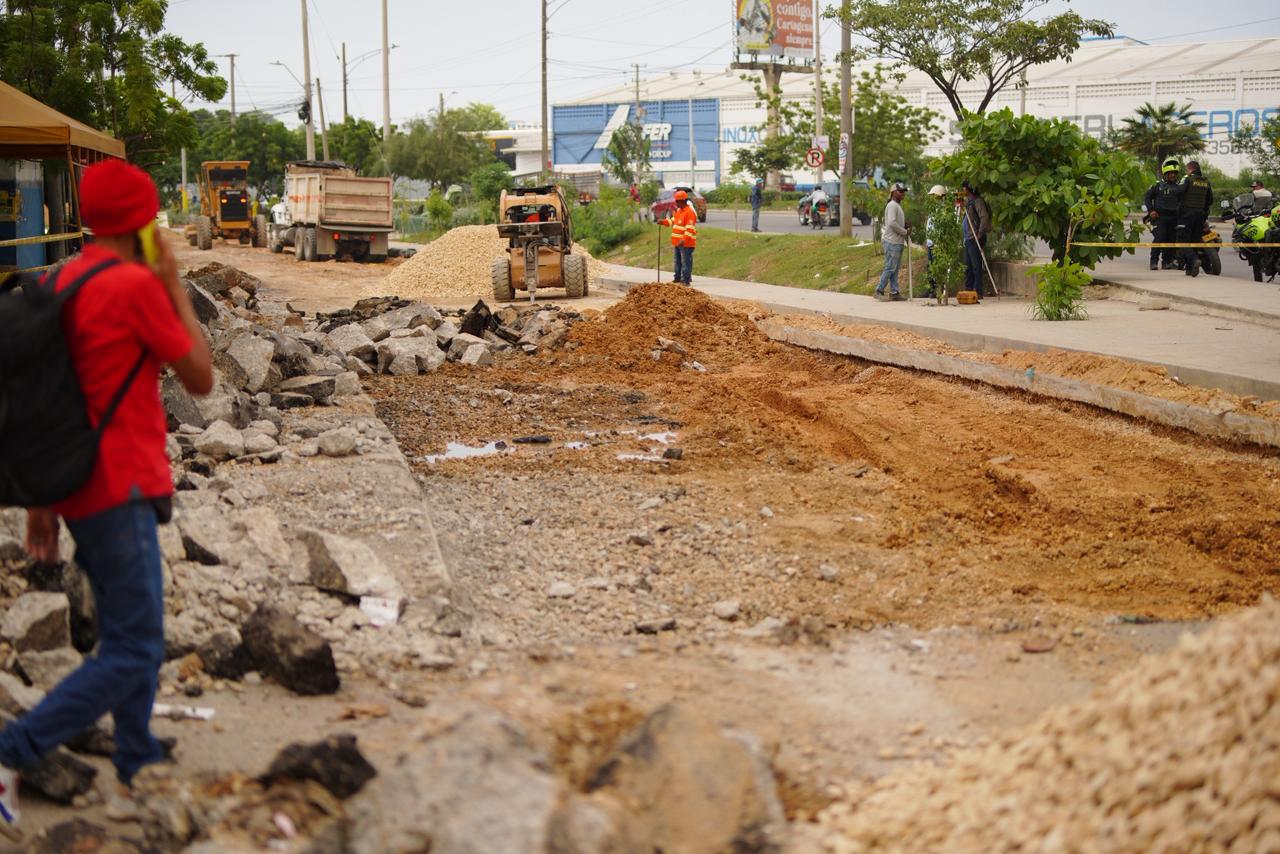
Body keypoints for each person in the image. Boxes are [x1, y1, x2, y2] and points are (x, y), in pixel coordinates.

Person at [0, 159, 213, 835]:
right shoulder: (134, 288)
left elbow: (47, 397)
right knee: (136, 645)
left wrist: (42, 500)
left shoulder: (56, 281)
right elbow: (201, 378)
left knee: (129, 624)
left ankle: (136, 753)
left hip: (78, 485)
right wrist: (173, 284)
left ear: (89, 218)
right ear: (145, 222)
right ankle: (16, 749)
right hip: (119, 483)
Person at [1144, 159, 1184, 270]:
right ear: (1165, 174)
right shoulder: (1157, 185)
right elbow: (1147, 198)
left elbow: (1182, 202)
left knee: (1171, 240)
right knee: (1159, 238)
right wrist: (1151, 210)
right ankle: (1153, 262)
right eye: (1170, 173)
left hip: (1173, 217)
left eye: (1175, 174)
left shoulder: (1179, 188)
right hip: (1159, 217)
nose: (1173, 175)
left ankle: (1166, 262)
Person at [1177, 160, 1213, 277]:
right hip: (1201, 215)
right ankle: (1190, 269)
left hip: (1187, 214)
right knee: (1194, 241)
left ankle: (1194, 260)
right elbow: (1210, 200)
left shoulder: (1187, 179)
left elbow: (1179, 192)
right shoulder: (1206, 182)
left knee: (1183, 240)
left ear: (1190, 169)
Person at [875, 183, 911, 301]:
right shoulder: (892, 205)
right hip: (892, 241)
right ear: (893, 193)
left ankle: (894, 291)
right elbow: (891, 223)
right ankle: (879, 290)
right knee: (890, 267)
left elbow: (895, 222)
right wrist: (904, 232)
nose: (902, 193)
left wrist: (905, 226)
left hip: (897, 241)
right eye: (900, 191)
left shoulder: (896, 206)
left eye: (903, 191)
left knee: (895, 268)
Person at [659, 189, 698, 285]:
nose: (676, 203)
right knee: (677, 262)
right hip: (677, 242)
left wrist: (684, 240)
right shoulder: (679, 211)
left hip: (686, 244)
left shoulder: (690, 212)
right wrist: (663, 222)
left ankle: (686, 280)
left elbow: (690, 229)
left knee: (685, 263)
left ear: (683, 201)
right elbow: (672, 221)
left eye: (677, 201)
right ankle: (677, 278)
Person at [961, 181, 991, 299]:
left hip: (975, 237)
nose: (962, 191)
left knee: (976, 265)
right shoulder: (968, 203)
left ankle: (978, 290)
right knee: (968, 265)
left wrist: (980, 233)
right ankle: (969, 288)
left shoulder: (978, 202)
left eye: (963, 188)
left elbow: (984, 217)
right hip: (968, 238)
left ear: (969, 189)